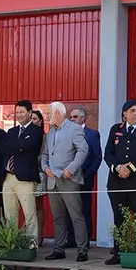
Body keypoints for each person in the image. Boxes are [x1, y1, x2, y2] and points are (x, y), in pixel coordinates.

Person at [104, 99, 136, 265]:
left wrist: (130, 168)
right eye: (132, 110)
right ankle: (118, 252)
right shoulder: (116, 129)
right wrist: (118, 168)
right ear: (124, 114)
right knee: (119, 218)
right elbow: (108, 153)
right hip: (117, 182)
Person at [42, 101, 90, 261]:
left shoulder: (74, 128)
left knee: (76, 215)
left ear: (57, 113)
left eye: (49, 113)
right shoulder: (50, 132)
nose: (48, 116)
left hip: (69, 178)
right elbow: (45, 155)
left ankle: (82, 249)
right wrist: (45, 168)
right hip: (52, 180)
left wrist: (71, 169)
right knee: (58, 217)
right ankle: (58, 248)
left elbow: (83, 150)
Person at [1, 100, 44, 241]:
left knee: (29, 214)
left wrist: (16, 146)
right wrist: (19, 147)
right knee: (10, 215)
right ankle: (10, 243)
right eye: (17, 112)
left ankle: (31, 244)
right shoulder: (12, 131)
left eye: (22, 112)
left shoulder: (36, 131)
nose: (18, 115)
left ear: (30, 113)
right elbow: (3, 149)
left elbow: (29, 146)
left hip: (25, 179)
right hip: (8, 178)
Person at [67, 106, 101, 248]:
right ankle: (71, 239)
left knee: (84, 209)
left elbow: (97, 157)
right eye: (71, 117)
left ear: (83, 118)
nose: (72, 119)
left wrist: (88, 174)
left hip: (85, 177)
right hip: (68, 178)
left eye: (75, 117)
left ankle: (85, 240)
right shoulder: (66, 133)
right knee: (70, 208)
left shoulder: (92, 134)